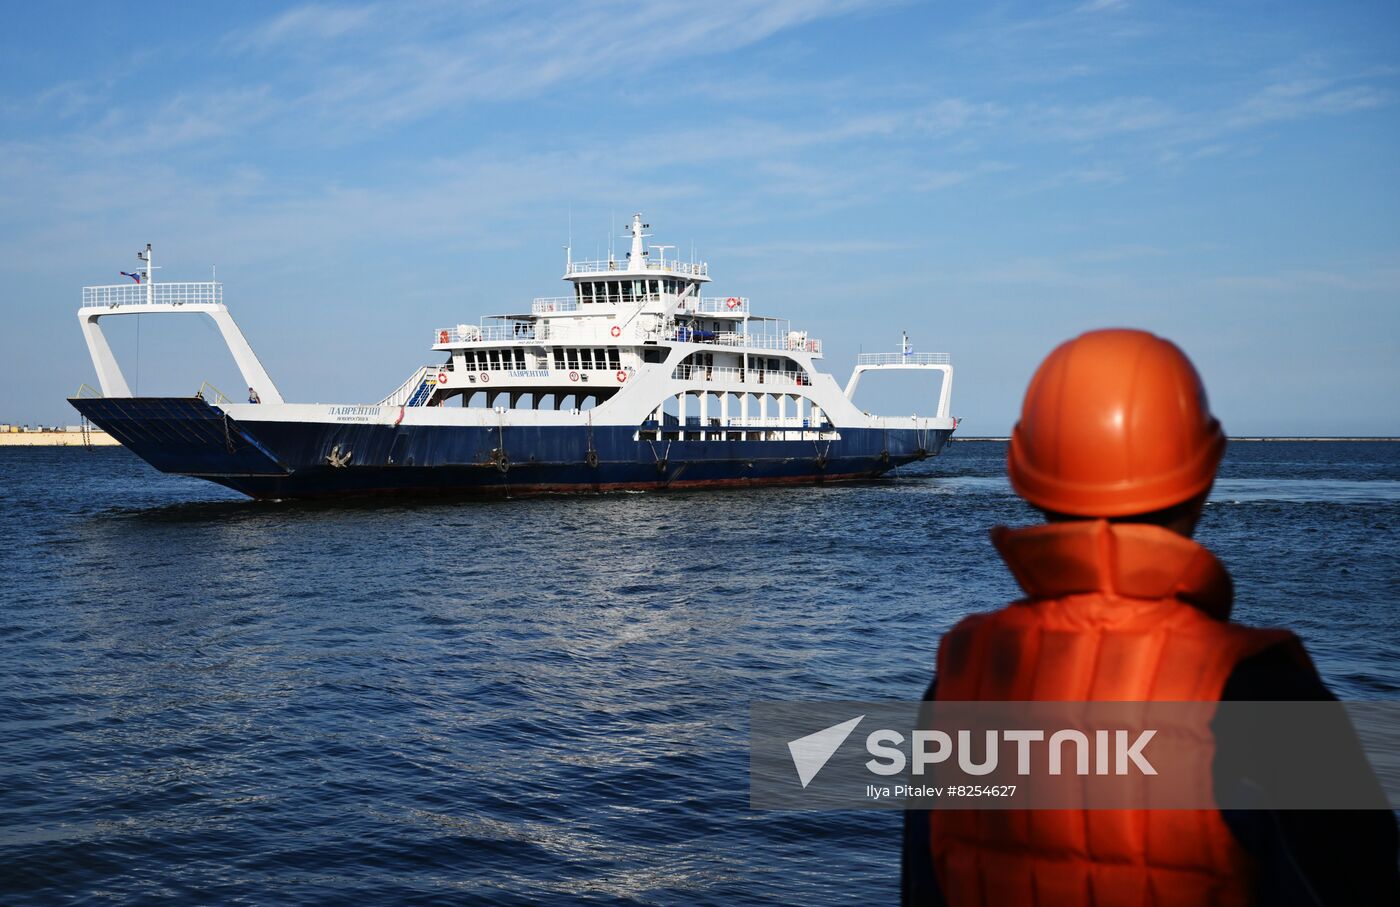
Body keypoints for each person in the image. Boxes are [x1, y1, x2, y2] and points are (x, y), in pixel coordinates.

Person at [902, 328, 1397, 906]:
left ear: (1025, 478)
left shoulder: (960, 681)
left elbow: (924, 887)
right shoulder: (1262, 693)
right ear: (1204, 477)